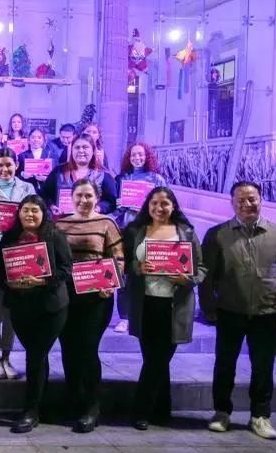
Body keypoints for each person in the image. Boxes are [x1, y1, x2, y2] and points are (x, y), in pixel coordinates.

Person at [201, 181, 276, 440]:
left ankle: (260, 415)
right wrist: (208, 308)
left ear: (261, 199)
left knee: (263, 366)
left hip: (266, 313)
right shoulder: (218, 234)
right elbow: (207, 275)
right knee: (225, 364)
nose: (247, 204)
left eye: (252, 199)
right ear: (232, 203)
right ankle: (222, 412)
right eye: (241, 200)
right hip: (229, 311)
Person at [0, 194, 73, 433]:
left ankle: (30, 411)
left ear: (43, 213)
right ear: (19, 213)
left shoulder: (54, 236)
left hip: (50, 307)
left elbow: (66, 268)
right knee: (36, 355)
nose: (30, 214)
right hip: (20, 305)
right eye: (25, 210)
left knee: (36, 354)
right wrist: (8, 282)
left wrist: (43, 281)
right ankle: (38, 406)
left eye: (35, 210)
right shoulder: (10, 236)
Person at [123, 186, 206, 430]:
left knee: (158, 358)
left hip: (174, 305)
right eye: (154, 203)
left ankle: (140, 411)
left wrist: (188, 279)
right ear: (147, 206)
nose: (159, 208)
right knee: (153, 358)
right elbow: (124, 264)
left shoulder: (186, 232)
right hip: (145, 304)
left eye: (165, 204)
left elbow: (201, 268)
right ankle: (162, 409)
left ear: (173, 206)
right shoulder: (135, 231)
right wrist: (139, 268)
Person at [56, 179, 124, 432]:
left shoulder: (107, 223)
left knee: (87, 349)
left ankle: (92, 406)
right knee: (67, 348)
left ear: (97, 198)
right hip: (66, 295)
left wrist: (111, 282)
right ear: (70, 197)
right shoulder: (60, 224)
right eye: (79, 196)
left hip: (97, 296)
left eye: (88, 196)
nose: (83, 201)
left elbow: (118, 258)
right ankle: (73, 400)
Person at [0, 148, 36, 379]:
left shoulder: (27, 189)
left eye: (9, 165)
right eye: (0, 165)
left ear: (17, 165)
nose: (5, 169)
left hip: (18, 253)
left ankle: (7, 357)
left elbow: (35, 217)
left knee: (12, 310)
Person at [113, 142, 167, 333]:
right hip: (125, 231)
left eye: (141, 155)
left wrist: (147, 208)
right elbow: (115, 208)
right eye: (133, 155)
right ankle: (124, 318)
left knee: (148, 275)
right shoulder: (122, 178)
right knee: (124, 274)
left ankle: (145, 315)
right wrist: (119, 204)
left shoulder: (157, 179)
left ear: (147, 156)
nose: (137, 158)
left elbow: (167, 206)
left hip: (149, 233)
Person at [41, 135, 118, 216]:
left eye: (85, 147)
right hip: (63, 222)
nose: (81, 151)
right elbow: (44, 195)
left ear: (93, 151)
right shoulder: (59, 171)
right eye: (77, 147)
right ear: (72, 151)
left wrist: (99, 208)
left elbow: (111, 202)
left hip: (91, 223)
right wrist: (51, 206)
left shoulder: (103, 175)